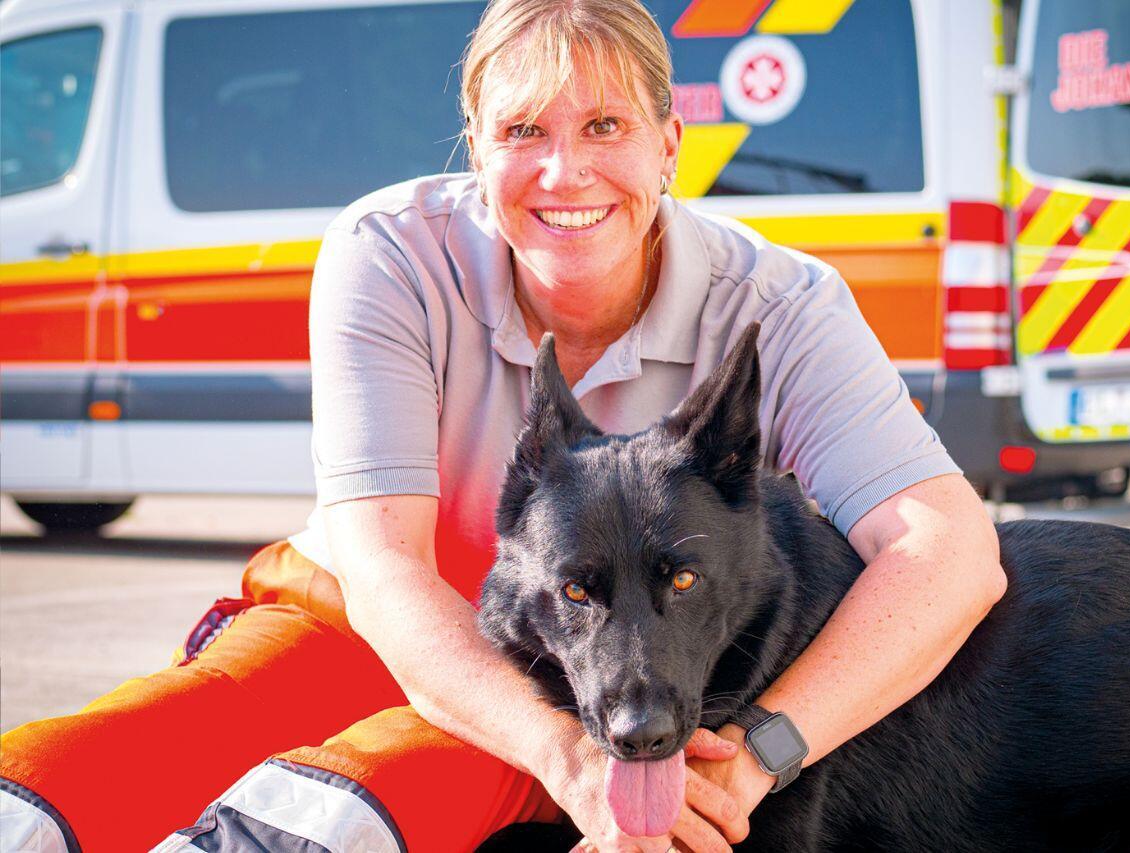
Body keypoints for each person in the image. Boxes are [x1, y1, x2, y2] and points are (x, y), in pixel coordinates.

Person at [0, 1, 1006, 850]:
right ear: (475, 147)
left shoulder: (779, 306)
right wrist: (565, 756)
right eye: (525, 132)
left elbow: (948, 550)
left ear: (669, 144)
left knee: (384, 790)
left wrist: (764, 752)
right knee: (136, 745)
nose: (564, 174)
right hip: (360, 615)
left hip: (591, 661)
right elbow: (385, 567)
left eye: (605, 126)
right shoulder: (390, 254)